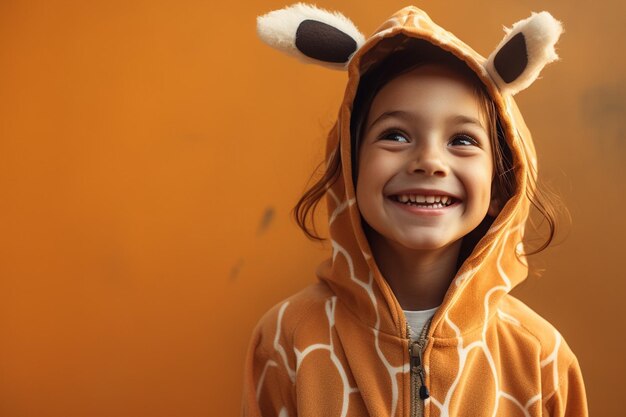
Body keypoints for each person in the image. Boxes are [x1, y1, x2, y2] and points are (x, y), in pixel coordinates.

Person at [242, 3, 588, 416]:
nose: (429, 161)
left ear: (500, 184)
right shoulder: (287, 338)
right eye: (395, 135)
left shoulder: (539, 354)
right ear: (351, 173)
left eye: (462, 140)